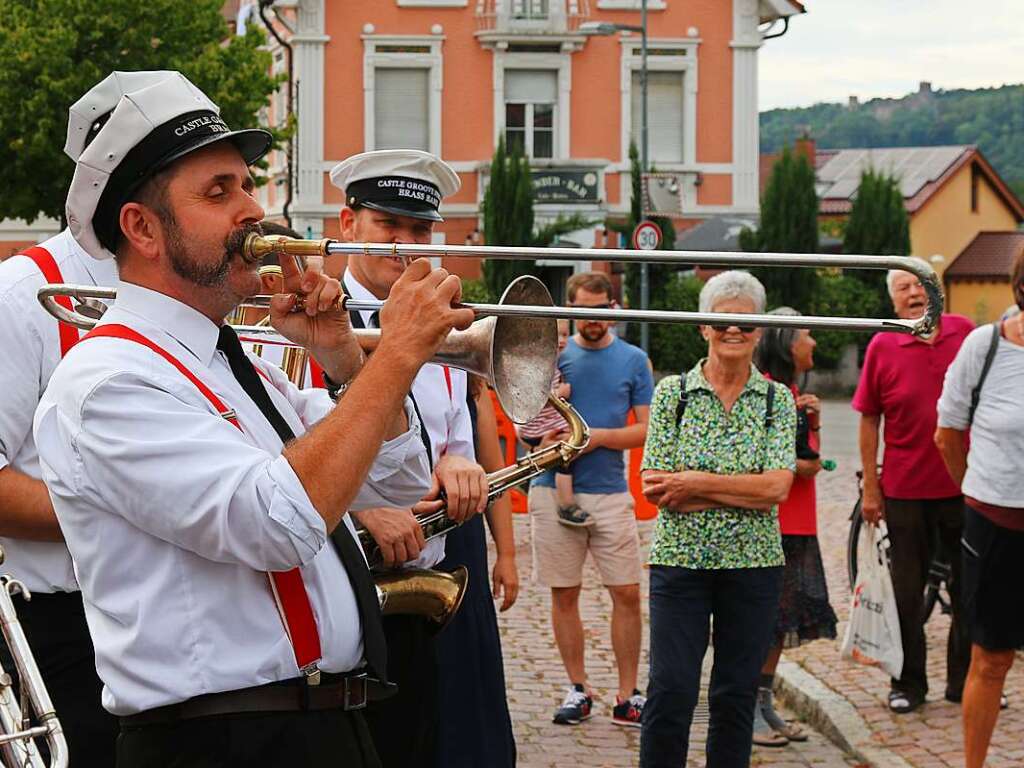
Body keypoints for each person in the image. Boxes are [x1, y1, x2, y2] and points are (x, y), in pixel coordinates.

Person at [34, 70, 474, 768]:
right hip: (216, 741)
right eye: (219, 192)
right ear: (142, 227)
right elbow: (278, 524)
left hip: (321, 724)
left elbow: (397, 483)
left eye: (246, 185)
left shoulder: (239, 363)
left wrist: (343, 360)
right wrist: (395, 354)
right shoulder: (107, 382)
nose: (253, 211)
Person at [0, 70, 179, 765]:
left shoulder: (184, 286)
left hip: (171, 618)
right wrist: (142, 513)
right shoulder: (25, 291)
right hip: (68, 630)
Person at [329, 149, 512, 768]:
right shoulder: (306, 316)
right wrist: (358, 511)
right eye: (388, 226)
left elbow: (456, 432)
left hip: (441, 554)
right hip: (348, 560)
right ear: (348, 224)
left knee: (463, 736)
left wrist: (465, 467)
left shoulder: (451, 326)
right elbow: (282, 442)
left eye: (420, 231)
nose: (406, 245)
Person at [638, 270, 796, 768]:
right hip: (679, 564)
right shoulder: (673, 396)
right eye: (720, 321)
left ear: (761, 330)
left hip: (753, 568)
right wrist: (742, 490)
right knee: (671, 690)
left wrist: (696, 483)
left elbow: (777, 488)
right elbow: (657, 487)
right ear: (703, 328)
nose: (733, 331)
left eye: (745, 323)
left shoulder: (777, 400)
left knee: (735, 693)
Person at [529, 271, 653, 728]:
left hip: (609, 491)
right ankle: (577, 688)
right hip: (550, 491)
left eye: (602, 311)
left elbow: (647, 428)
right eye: (585, 310)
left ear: (614, 308)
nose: (593, 319)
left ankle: (628, 693)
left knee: (626, 592)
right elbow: (526, 418)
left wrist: (599, 438)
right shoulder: (554, 355)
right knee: (565, 594)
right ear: (572, 306)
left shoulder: (634, 360)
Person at [852, 257, 974, 714]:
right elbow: (869, 419)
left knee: (971, 591)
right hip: (904, 489)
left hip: (966, 485)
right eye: (903, 287)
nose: (913, 293)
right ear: (892, 299)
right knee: (906, 594)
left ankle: (966, 683)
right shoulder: (883, 344)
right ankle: (908, 683)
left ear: (937, 290)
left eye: (921, 284)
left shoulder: (967, 334)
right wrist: (871, 487)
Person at [935, 248, 1024, 768]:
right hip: (994, 524)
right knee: (991, 659)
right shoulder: (984, 347)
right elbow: (947, 433)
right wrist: (974, 487)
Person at [752, 308, 838, 747]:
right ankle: (750, 711)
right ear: (787, 342)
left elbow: (811, 461)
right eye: (807, 334)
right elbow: (803, 465)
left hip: (797, 522)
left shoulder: (791, 394)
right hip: (776, 523)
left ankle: (764, 705)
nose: (813, 343)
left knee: (779, 621)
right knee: (763, 621)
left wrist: (815, 423)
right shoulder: (768, 394)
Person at [433, 374, 519, 767]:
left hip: (461, 538)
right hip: (413, 527)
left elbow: (495, 475)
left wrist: (507, 554)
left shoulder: (471, 388)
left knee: (467, 661)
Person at [517, 318, 582, 525]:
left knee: (559, 456)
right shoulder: (538, 364)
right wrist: (559, 393)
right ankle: (566, 505)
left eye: (565, 335)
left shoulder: (552, 361)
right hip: (539, 428)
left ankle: (528, 475)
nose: (562, 340)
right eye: (556, 336)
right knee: (566, 458)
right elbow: (533, 396)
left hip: (544, 425)